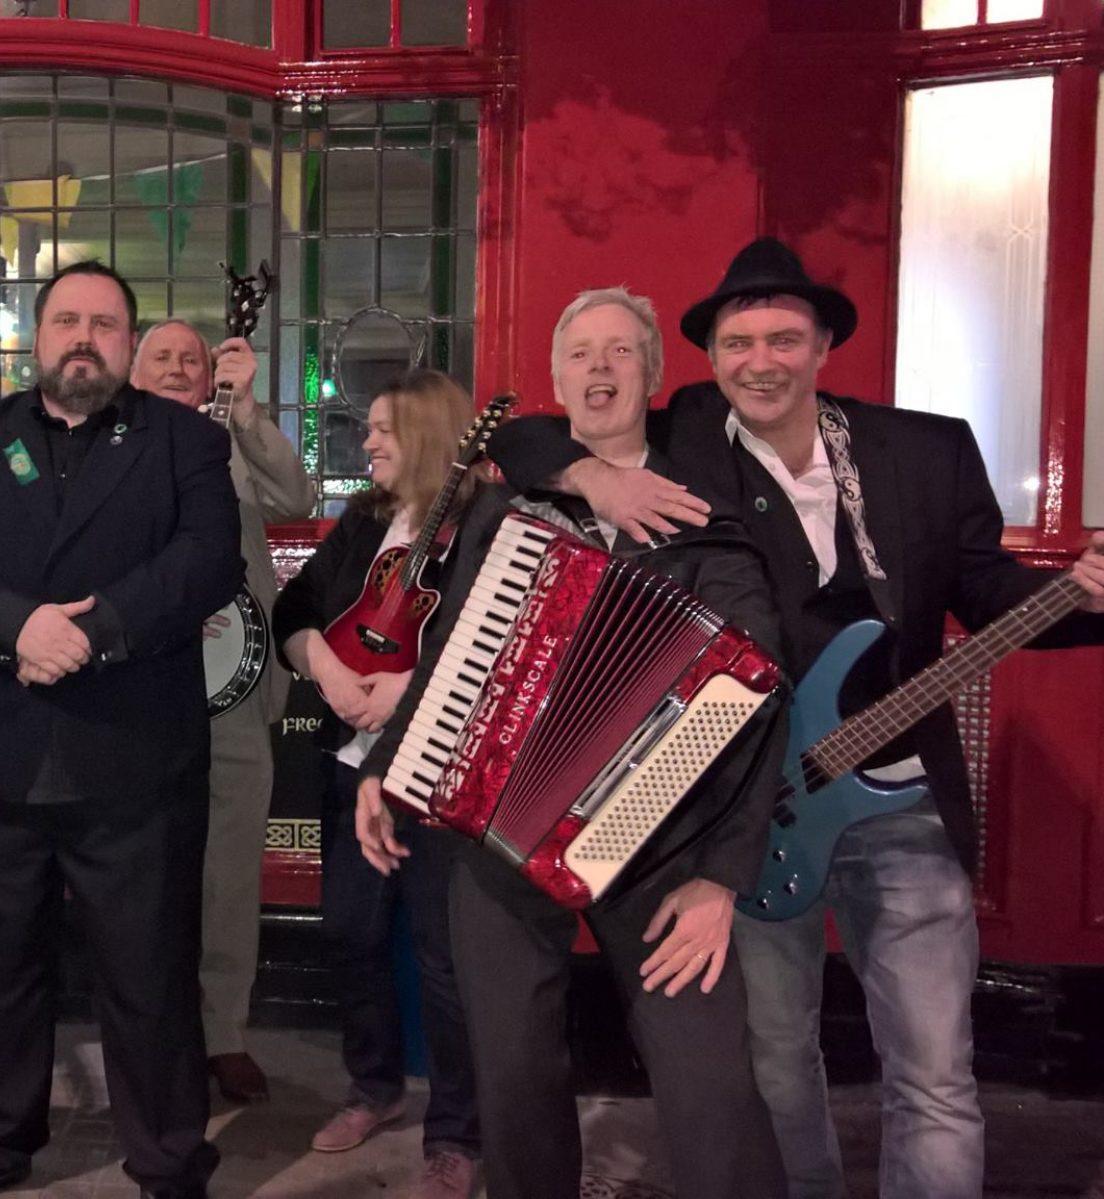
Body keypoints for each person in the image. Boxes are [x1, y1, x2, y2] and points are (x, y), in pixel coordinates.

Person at [484, 242, 1104, 1199]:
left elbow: (987, 590)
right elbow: (530, 436)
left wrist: (1083, 595)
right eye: (737, 343)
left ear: (822, 347)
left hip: (900, 792)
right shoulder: (690, 434)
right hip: (759, 798)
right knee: (776, 1061)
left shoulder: (927, 450)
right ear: (711, 359)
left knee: (933, 1070)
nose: (759, 361)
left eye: (783, 339)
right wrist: (598, 482)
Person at [359, 291, 790, 1198]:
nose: (600, 368)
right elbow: (450, 652)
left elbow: (756, 714)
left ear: (654, 376)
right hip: (501, 835)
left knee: (711, 1087)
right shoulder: (504, 510)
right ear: (558, 382)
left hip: (665, 851)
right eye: (581, 354)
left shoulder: (704, 520)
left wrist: (722, 878)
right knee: (512, 1081)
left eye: (621, 352)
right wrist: (391, 763)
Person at [0, 260, 241, 1199]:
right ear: (36, 338)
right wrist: (18, 623)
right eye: (65, 321)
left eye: (104, 323)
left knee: (149, 972)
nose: (83, 337)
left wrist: (92, 631)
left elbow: (207, 559)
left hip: (135, 754)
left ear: (128, 344)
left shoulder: (182, 439)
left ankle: (169, 1156)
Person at [269, 369, 480, 1198]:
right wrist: (320, 661)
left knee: (442, 955)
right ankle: (375, 1088)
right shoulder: (361, 522)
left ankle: (457, 1131)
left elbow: (493, 641)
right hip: (349, 763)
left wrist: (409, 689)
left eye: (384, 429)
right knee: (351, 933)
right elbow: (296, 611)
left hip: (436, 775)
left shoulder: (483, 528)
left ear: (429, 434)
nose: (368, 443)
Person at [130, 318, 314, 1103]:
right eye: (160, 357)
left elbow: (298, 496)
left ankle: (223, 1032)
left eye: (191, 361)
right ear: (133, 371)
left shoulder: (231, 443)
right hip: (132, 700)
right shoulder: (108, 449)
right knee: (138, 874)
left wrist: (248, 411)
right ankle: (149, 1031)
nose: (177, 368)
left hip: (235, 700)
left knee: (230, 873)